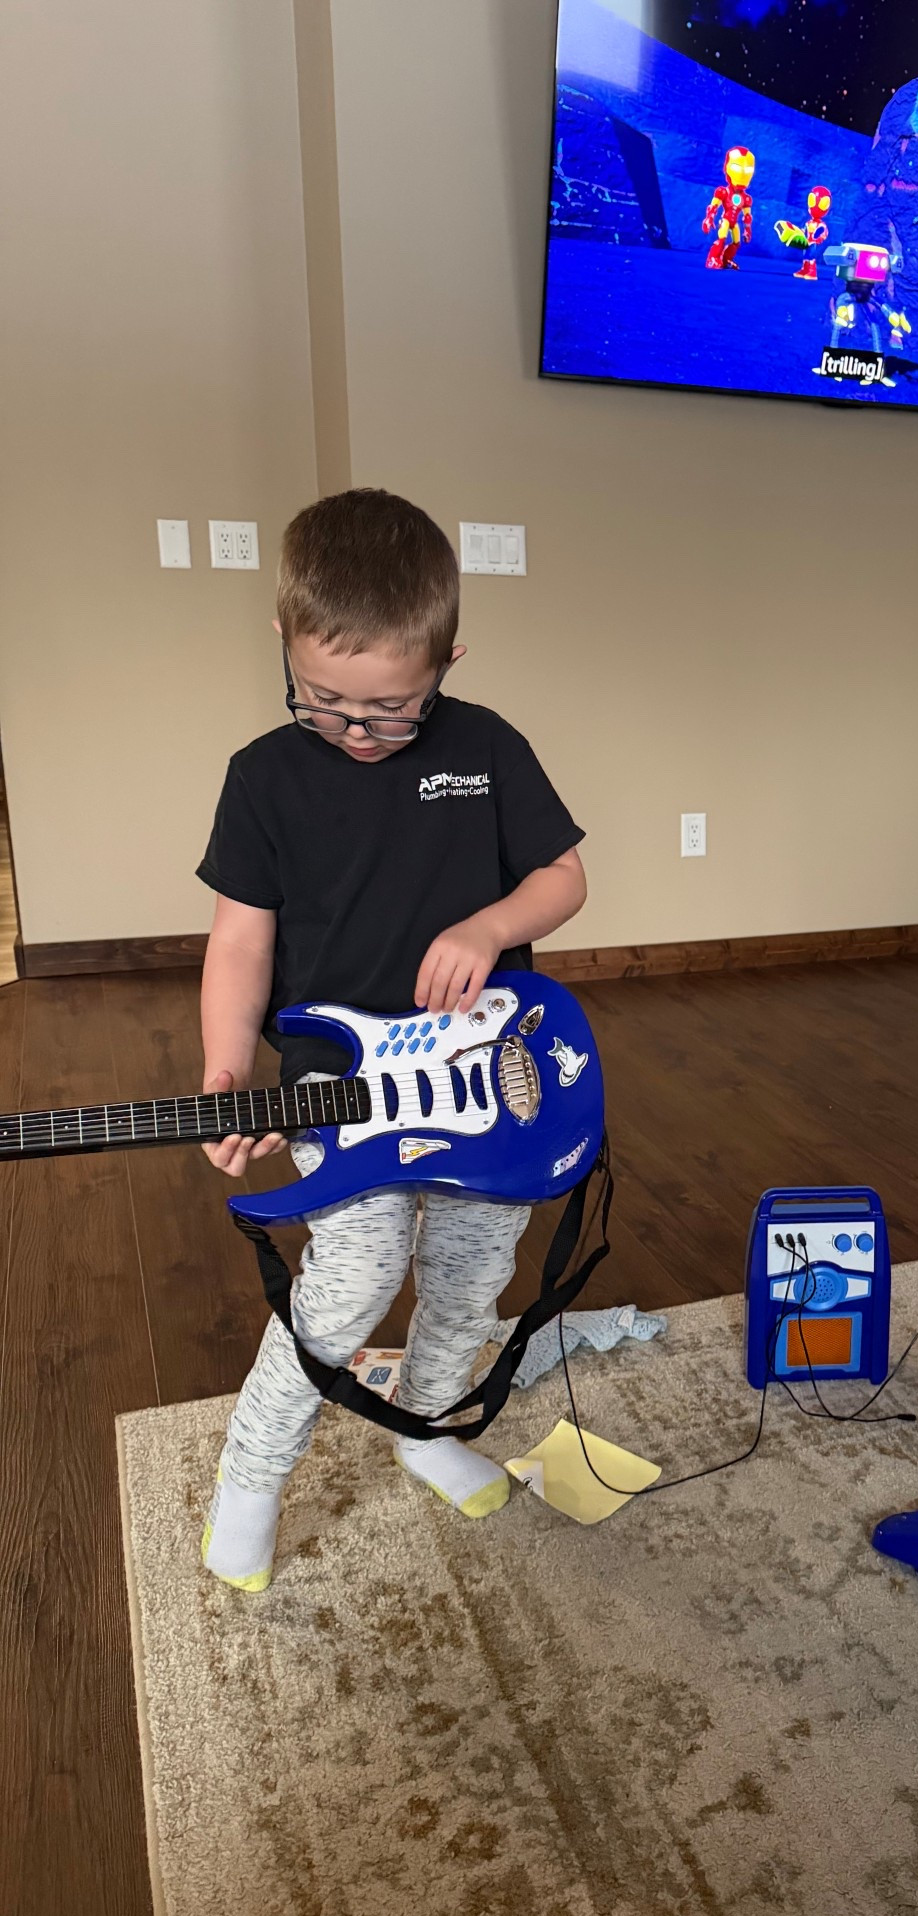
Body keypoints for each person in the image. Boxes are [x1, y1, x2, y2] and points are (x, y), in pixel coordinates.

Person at [196, 489, 588, 1591]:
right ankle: (253, 1471)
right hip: (337, 1085)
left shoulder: (489, 747)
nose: (359, 731)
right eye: (325, 702)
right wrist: (227, 1067)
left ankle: (425, 1427)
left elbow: (564, 876)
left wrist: (490, 924)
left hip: (483, 1081)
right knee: (353, 1273)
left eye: (393, 708)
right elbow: (238, 945)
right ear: (284, 640)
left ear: (448, 659)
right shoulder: (261, 778)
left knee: (471, 1279)